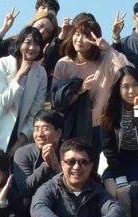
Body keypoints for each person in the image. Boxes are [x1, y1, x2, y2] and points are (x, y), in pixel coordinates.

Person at [51, 14, 128, 143]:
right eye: (77, 34)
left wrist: (109, 49)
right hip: (69, 127)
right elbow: (56, 100)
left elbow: (126, 70)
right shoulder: (63, 63)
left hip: (99, 128)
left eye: (86, 36)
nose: (79, 40)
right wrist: (79, 89)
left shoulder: (105, 59)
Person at [0, 26, 48, 151]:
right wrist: (20, 74)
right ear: (19, 43)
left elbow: (36, 111)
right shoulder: (2, 64)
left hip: (22, 132)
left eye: (37, 44)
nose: (32, 48)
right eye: (28, 42)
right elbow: (4, 102)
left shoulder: (40, 72)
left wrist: (22, 140)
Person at [98, 68, 138, 191]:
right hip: (117, 160)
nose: (131, 91)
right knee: (114, 191)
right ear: (118, 89)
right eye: (125, 87)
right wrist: (120, 178)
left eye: (135, 85)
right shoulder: (110, 109)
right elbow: (108, 148)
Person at [13, 110, 64, 195]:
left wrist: (56, 166)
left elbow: (76, 185)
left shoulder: (69, 152)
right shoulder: (23, 153)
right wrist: (46, 165)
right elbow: (24, 189)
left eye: (45, 129)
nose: (39, 134)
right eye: (36, 129)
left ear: (58, 133)